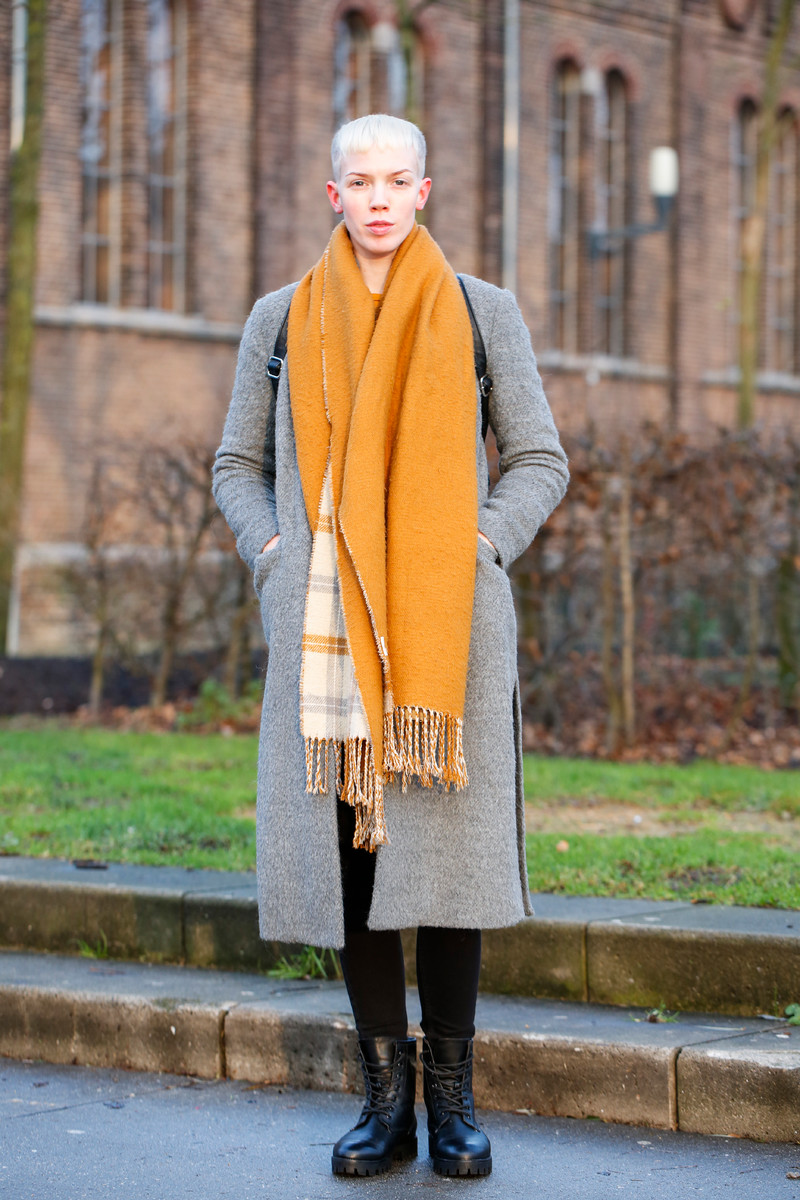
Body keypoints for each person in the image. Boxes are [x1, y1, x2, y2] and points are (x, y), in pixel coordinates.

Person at [212, 113, 568, 1179]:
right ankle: (384, 1103)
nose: (377, 198)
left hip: (444, 634)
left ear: (423, 191)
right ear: (334, 195)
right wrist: (273, 553)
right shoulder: (280, 320)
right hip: (324, 625)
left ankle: (451, 1103)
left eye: (394, 180)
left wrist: (478, 546)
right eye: (358, 181)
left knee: (444, 864)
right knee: (352, 861)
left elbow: (538, 459)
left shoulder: (480, 312)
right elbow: (235, 464)